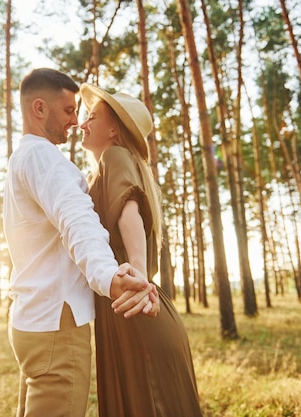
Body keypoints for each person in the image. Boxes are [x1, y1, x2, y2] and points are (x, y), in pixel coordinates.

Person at [3, 68, 158, 417]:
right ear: (39, 109)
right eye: (69, 110)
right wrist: (108, 276)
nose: (75, 121)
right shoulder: (45, 159)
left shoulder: (22, 158)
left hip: (32, 320)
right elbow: (77, 219)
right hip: (58, 324)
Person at [79, 83, 204, 417]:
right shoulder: (102, 172)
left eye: (91, 116)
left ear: (113, 129)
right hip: (128, 310)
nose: (82, 123)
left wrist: (137, 272)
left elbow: (129, 209)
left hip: (136, 307)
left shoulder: (114, 156)